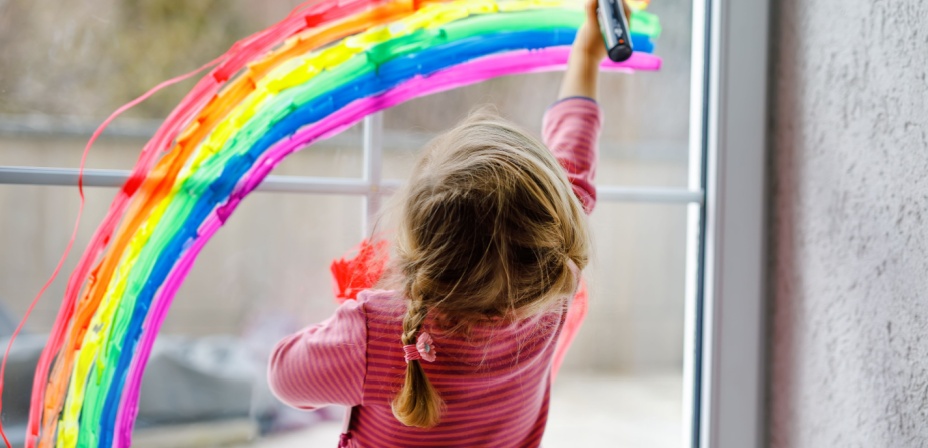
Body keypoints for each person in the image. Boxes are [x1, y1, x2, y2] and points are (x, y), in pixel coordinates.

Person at [268, 0, 614, 446]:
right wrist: (586, 56)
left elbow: (285, 376)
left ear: (416, 243)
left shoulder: (378, 333)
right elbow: (574, 151)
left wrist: (352, 322)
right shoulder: (550, 268)